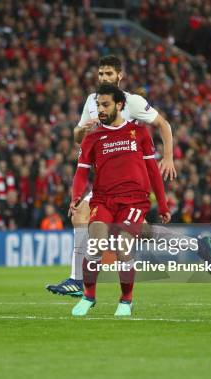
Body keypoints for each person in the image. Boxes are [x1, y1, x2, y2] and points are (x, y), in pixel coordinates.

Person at [47, 55, 211, 297]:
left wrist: (167, 158)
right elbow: (78, 138)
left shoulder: (133, 102)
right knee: (144, 232)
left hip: (132, 179)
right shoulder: (92, 102)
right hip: (107, 179)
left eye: (109, 74)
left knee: (82, 213)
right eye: (101, 74)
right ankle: (197, 244)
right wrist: (81, 130)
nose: (104, 78)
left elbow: (164, 125)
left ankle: (76, 280)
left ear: (119, 76)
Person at [68, 84, 168, 317]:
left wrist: (163, 204)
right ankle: (88, 296)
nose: (100, 110)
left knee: (123, 246)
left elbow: (153, 171)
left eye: (105, 105)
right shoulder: (92, 138)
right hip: (103, 199)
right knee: (96, 243)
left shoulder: (140, 132)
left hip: (134, 200)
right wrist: (75, 197)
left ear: (120, 105)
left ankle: (126, 300)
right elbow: (81, 172)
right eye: (98, 105)